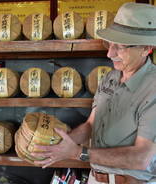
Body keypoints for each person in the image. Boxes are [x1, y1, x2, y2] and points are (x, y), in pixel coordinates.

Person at [31, 2, 156, 184]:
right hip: (95, 178)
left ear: (146, 48)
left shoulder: (153, 88)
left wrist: (77, 152)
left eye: (120, 47)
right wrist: (57, 145)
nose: (110, 54)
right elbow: (91, 125)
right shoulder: (110, 78)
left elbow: (141, 157)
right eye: (109, 44)